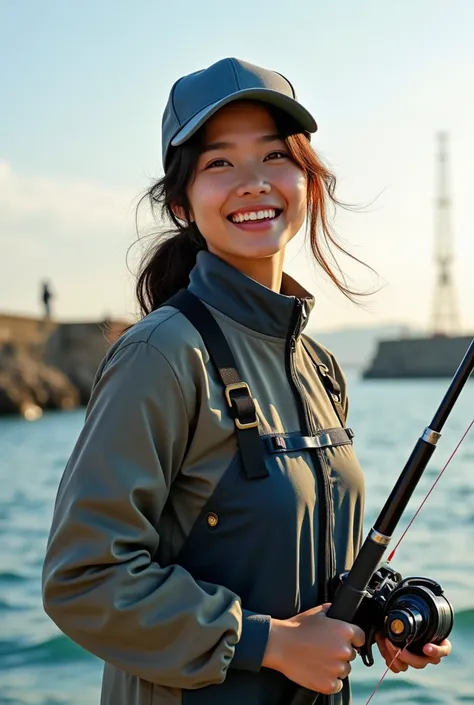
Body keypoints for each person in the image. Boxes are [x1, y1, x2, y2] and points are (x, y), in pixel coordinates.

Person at [42, 57, 451, 705]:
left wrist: (379, 615)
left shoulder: (321, 366)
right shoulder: (161, 353)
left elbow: (299, 565)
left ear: (307, 180)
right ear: (181, 200)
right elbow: (83, 578)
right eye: (220, 164)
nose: (254, 184)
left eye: (273, 157)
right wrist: (272, 643)